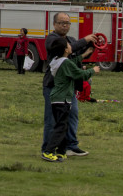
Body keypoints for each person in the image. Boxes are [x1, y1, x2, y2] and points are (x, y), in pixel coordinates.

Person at [41, 12, 96, 158]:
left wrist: (91, 46)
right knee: (52, 120)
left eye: (67, 23)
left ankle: (71, 146)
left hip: (68, 88)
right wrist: (84, 40)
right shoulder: (52, 39)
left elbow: (77, 55)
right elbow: (73, 47)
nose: (65, 25)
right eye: (62, 23)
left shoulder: (71, 40)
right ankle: (47, 149)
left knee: (72, 116)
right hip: (53, 86)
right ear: (54, 24)